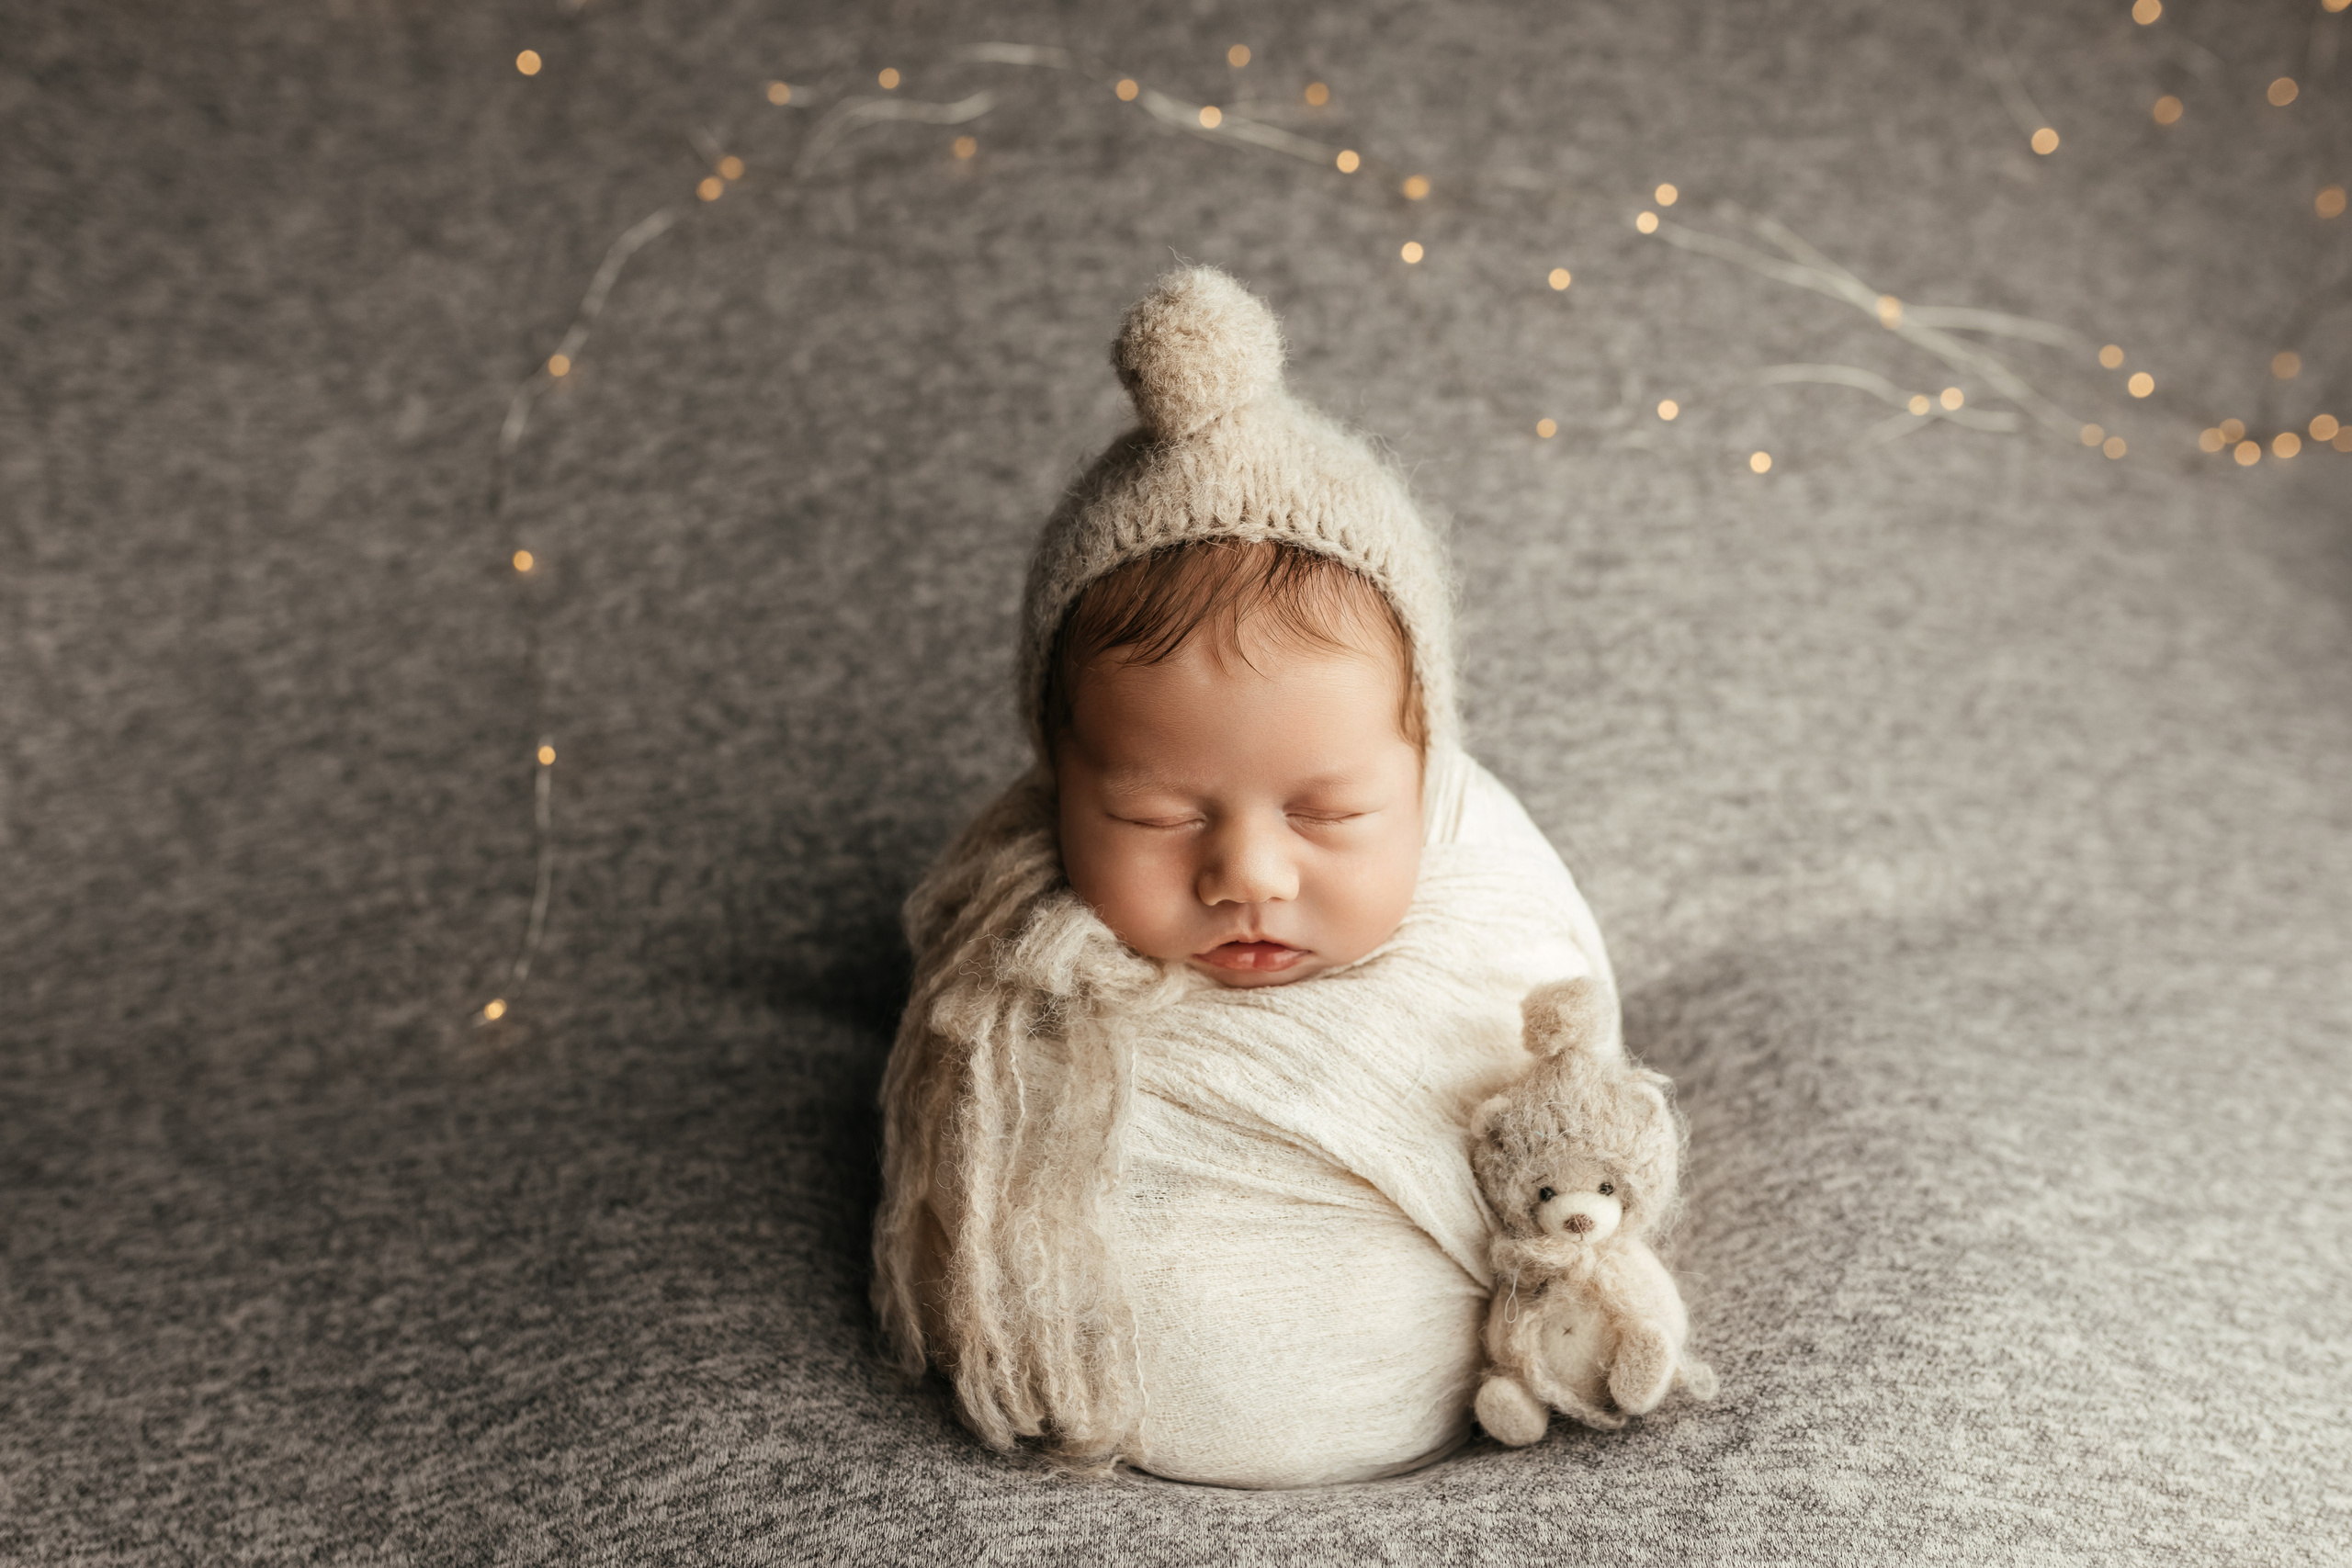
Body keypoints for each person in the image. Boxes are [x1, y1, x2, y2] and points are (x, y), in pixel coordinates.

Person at [872, 265, 1615, 1487]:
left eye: (1333, 811)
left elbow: (1576, 1122)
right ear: (1055, 779)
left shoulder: (1491, 902)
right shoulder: (1009, 955)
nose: (1249, 874)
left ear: (1426, 768)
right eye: (1155, 815)